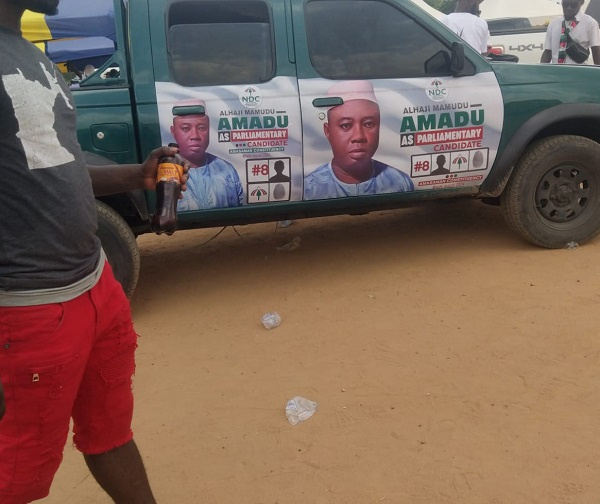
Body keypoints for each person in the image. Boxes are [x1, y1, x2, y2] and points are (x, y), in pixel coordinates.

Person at [0, 1, 190, 502]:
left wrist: (137, 176)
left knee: (110, 434)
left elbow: (56, 165)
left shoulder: (29, 54)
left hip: (94, 285)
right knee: (12, 474)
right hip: (26, 309)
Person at [304, 80, 413, 200]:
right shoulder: (310, 188)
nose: (359, 136)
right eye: (346, 126)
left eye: (368, 124)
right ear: (328, 131)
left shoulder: (399, 182)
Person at [170, 99, 244, 211]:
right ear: (173, 131)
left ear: (209, 130)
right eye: (185, 128)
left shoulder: (226, 170)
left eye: (201, 128)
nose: (195, 135)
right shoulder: (166, 173)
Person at [540, 0, 600, 65]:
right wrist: (540, 72)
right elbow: (547, 52)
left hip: (578, 72)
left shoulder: (590, 23)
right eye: (565, 4)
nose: (568, 8)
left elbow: (596, 52)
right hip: (557, 72)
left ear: (581, 2)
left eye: (573, 4)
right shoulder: (554, 23)